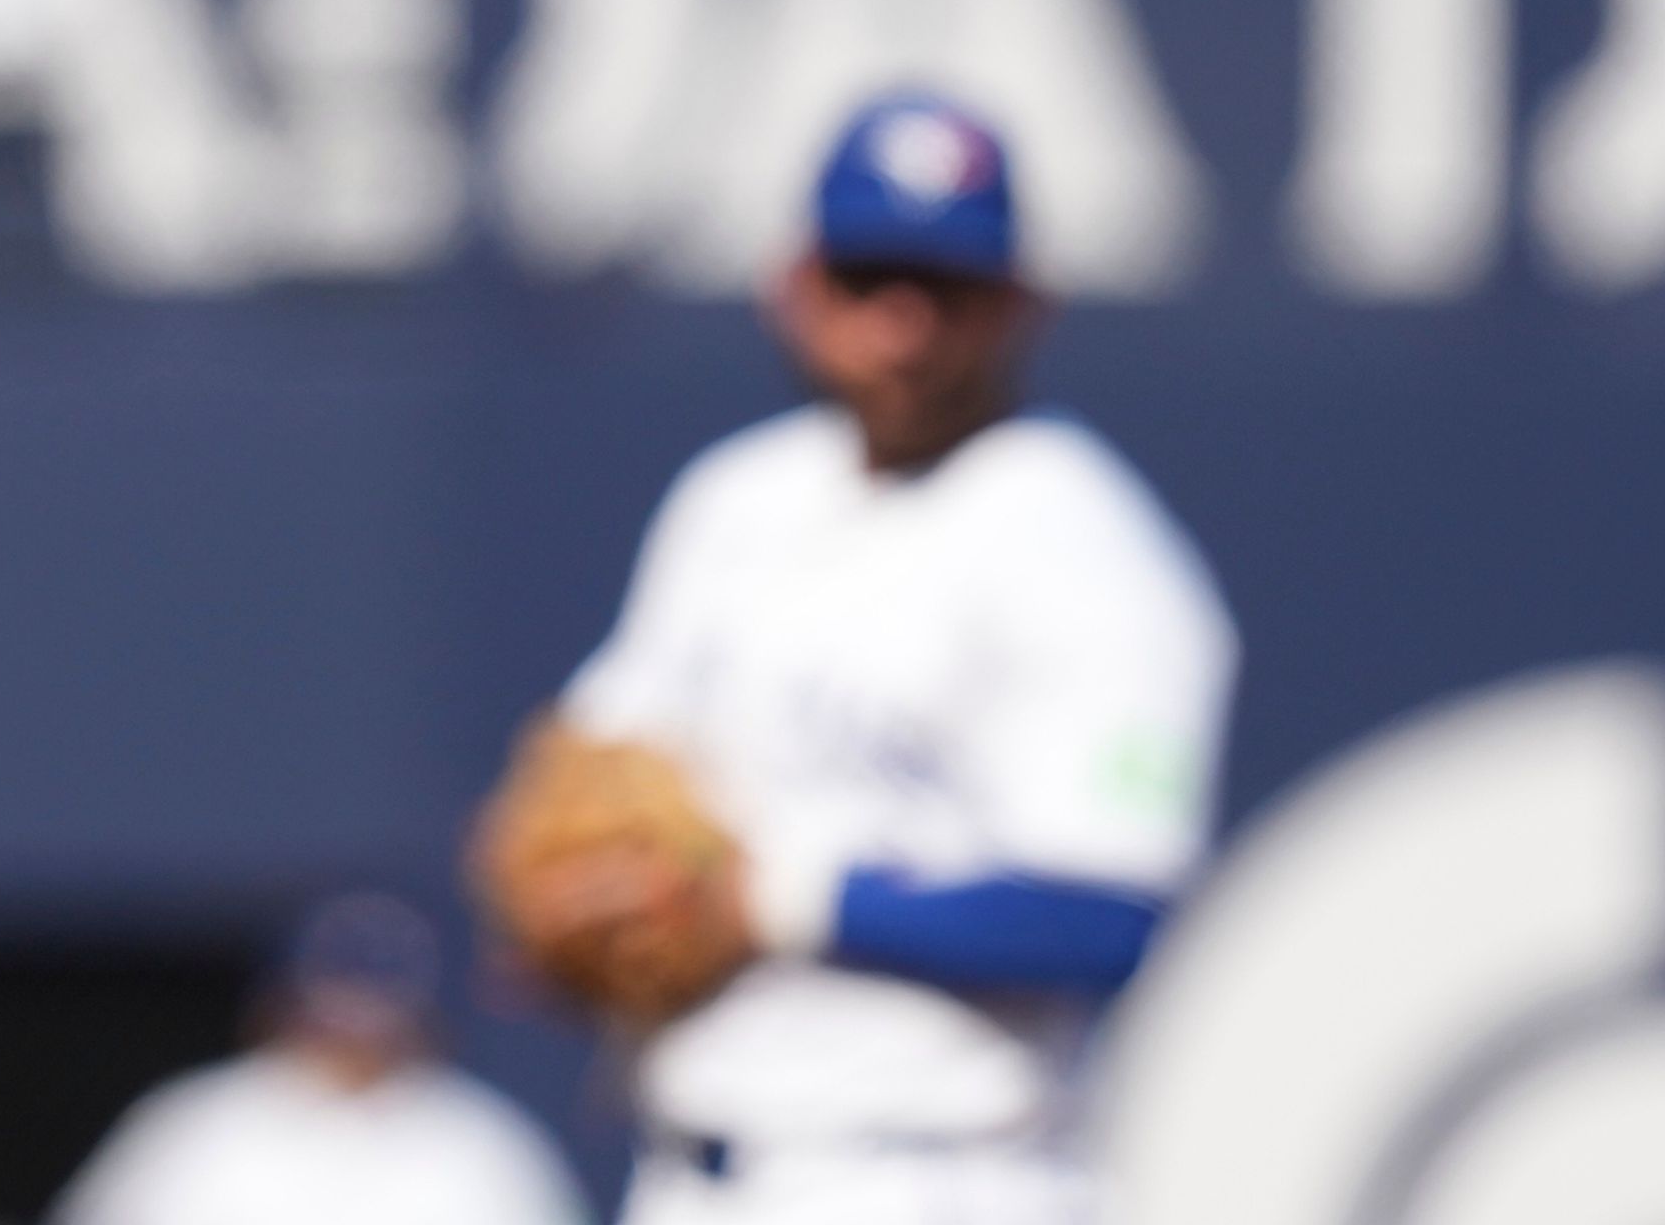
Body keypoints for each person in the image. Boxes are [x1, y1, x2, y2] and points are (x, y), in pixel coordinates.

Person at [472, 92, 1235, 1223]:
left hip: (941, 1175)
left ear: (1023, 304)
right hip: (692, 1170)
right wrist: (572, 899)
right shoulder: (737, 500)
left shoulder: (1091, 550)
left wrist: (777, 900)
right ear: (795, 284)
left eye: (949, 290)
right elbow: (602, 763)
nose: (904, 330)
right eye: (868, 280)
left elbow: (1108, 917)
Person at [52, 894, 584, 1225]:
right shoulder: (194, 1125)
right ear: (282, 1004)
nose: (353, 1036)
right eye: (334, 1009)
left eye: (376, 1013)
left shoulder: (480, 1143)